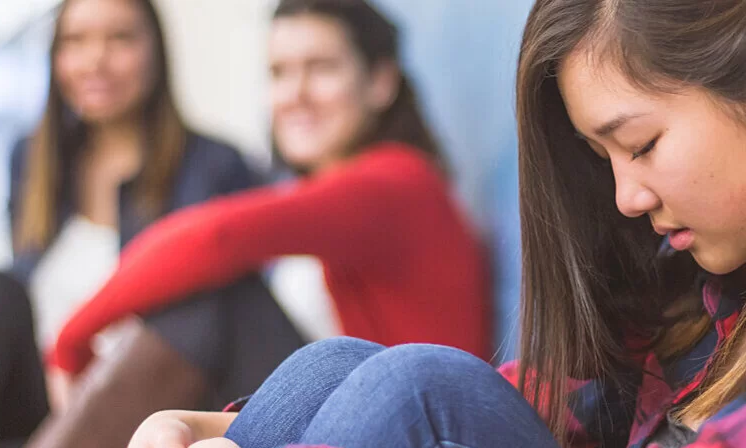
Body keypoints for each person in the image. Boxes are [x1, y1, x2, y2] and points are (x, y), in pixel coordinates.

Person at [121, 0, 746, 448]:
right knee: (347, 369)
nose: (623, 196)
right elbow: (526, 401)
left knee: (407, 389)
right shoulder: (730, 288)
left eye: (641, 144)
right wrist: (223, 435)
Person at [0, 0, 298, 448]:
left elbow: (212, 326)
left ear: (155, 52)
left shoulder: (214, 167)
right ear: (56, 58)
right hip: (44, 409)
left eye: (119, 39)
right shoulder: (33, 163)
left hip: (148, 409)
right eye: (75, 41)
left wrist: (74, 346)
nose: (95, 59)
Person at [43, 0, 490, 385]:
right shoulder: (338, 191)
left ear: (380, 82)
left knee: (218, 294)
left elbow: (214, 237)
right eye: (279, 72)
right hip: (366, 418)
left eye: (322, 68)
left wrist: (71, 340)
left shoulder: (397, 181)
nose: (295, 94)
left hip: (405, 439)